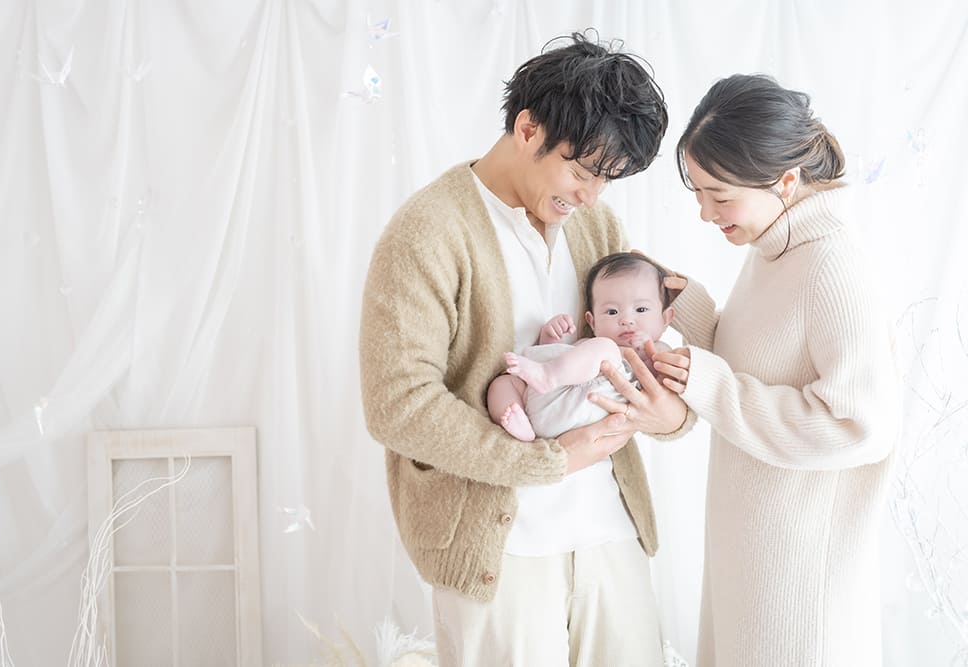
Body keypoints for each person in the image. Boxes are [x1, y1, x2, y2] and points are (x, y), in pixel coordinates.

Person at [359, 31, 691, 666]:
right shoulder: (427, 232)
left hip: (610, 531)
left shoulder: (595, 224)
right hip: (500, 550)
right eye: (582, 171)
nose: (591, 195)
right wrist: (547, 462)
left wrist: (673, 413)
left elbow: (644, 336)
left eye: (606, 180)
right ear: (528, 127)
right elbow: (397, 405)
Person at [626, 74, 900, 666]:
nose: (705, 213)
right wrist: (684, 305)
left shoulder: (831, 265)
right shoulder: (774, 247)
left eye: (719, 196)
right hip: (750, 559)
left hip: (797, 587)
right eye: (698, 193)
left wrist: (709, 383)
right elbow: (761, 366)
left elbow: (859, 426)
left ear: (786, 181)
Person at [488, 253, 674, 442]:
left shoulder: (661, 350)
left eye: (641, 309)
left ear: (666, 318)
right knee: (502, 384)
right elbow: (556, 369)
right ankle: (520, 424)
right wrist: (550, 340)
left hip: (586, 412)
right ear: (592, 322)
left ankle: (547, 376)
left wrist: (648, 356)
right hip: (541, 407)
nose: (626, 320)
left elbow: (664, 392)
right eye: (612, 312)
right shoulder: (589, 347)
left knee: (606, 349)